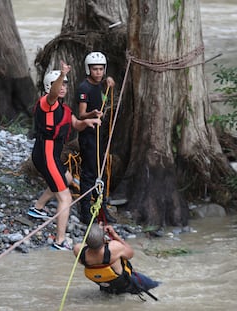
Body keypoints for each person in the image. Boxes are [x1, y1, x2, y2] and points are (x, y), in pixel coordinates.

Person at [28, 60, 102, 251]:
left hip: (51, 154)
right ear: (49, 87)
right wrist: (61, 74)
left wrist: (90, 121)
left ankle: (38, 208)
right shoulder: (47, 103)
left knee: (66, 178)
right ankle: (59, 241)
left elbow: (76, 124)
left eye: (65, 84)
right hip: (46, 153)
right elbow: (53, 94)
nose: (63, 88)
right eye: (60, 84)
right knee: (65, 198)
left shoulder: (64, 109)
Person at [76, 51, 116, 225]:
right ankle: (85, 211)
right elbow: (81, 114)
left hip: (100, 134)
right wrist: (92, 113)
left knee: (101, 171)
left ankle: (102, 208)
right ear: (88, 69)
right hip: (88, 135)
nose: (98, 72)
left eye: (101, 69)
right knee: (89, 172)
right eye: (95, 69)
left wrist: (110, 83)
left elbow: (105, 95)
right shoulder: (84, 88)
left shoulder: (102, 85)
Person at [73, 223, 160, 297]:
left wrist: (96, 232)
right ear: (103, 239)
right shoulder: (114, 248)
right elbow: (130, 253)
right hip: (128, 284)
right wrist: (114, 235)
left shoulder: (79, 251)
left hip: (106, 287)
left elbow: (90, 245)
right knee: (159, 285)